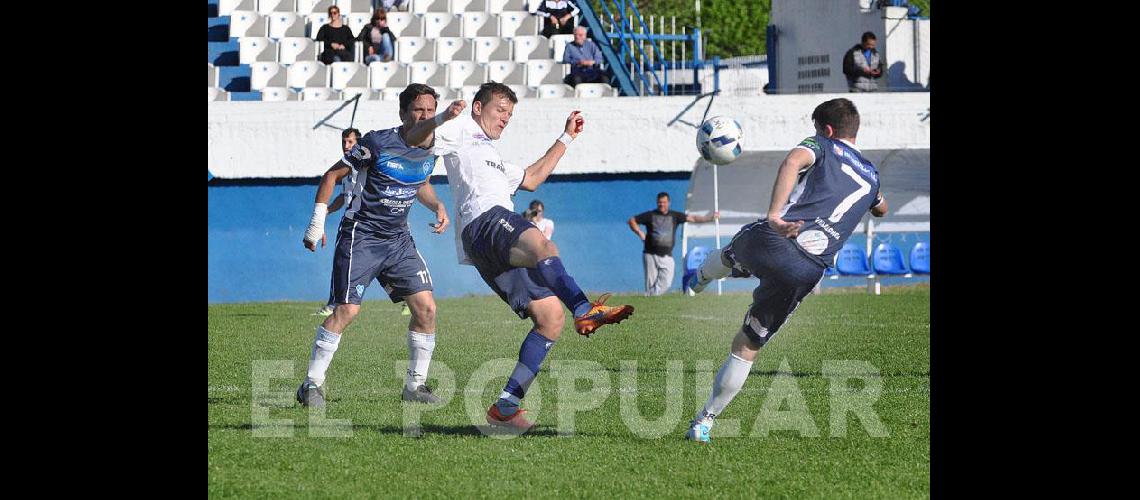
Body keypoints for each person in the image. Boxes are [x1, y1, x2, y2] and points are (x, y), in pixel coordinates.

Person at [403, 81, 634, 432]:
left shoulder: (494, 158)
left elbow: (532, 179)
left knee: (550, 317)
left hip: (484, 248)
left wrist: (567, 137)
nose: (505, 119)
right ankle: (584, 308)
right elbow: (418, 139)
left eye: (510, 115)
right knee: (544, 246)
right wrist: (443, 118)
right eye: (500, 110)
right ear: (478, 107)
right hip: (485, 221)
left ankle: (506, 406)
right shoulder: (462, 127)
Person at [684, 98, 889, 442]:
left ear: (826, 130)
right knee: (748, 344)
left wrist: (776, 214)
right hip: (807, 270)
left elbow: (793, 160)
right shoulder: (871, 175)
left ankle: (702, 277)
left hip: (778, 239)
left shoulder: (821, 145)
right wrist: (875, 199)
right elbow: (882, 208)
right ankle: (705, 422)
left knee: (733, 253)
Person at [296, 84, 452, 409]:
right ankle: (311, 384)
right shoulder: (376, 142)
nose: (425, 116)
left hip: (398, 240)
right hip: (361, 236)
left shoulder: (432, 148)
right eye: (418, 110)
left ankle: (415, 386)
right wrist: (316, 223)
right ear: (403, 113)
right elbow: (331, 176)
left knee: (427, 309)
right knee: (347, 311)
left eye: (430, 110)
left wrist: (437, 205)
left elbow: (420, 182)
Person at [627, 193, 718, 296]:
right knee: (650, 283)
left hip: (667, 255)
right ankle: (652, 302)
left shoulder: (675, 216)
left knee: (667, 282)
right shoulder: (650, 215)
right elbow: (632, 220)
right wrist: (640, 233)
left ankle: (651, 297)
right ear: (657, 203)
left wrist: (710, 218)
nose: (662, 204)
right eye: (660, 202)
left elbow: (693, 218)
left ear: (668, 203)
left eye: (664, 202)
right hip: (650, 254)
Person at [315, 128, 363, 317]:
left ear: (358, 144)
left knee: (382, 266)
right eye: (344, 141)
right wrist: (325, 211)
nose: (346, 146)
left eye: (350, 142)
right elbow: (344, 197)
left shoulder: (365, 166)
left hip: (368, 223)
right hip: (350, 223)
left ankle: (407, 298)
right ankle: (332, 303)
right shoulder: (345, 169)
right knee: (340, 262)